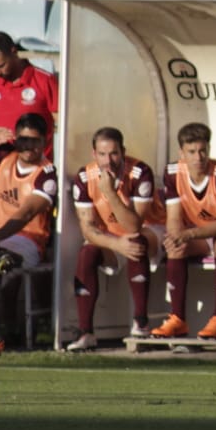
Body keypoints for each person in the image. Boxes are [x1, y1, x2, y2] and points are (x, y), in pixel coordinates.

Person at [68, 127, 165, 350]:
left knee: (135, 240)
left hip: (150, 231)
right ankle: (86, 333)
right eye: (102, 154)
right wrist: (114, 243)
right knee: (87, 252)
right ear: (94, 154)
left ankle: (141, 324)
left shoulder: (140, 172)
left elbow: (135, 224)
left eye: (113, 154)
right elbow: (87, 229)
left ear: (123, 152)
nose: (108, 160)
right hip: (113, 237)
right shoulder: (84, 177)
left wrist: (110, 193)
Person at [0, 113, 58, 347]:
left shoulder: (47, 174)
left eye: (35, 140)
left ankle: (5, 325)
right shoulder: (6, 154)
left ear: (45, 142)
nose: (29, 146)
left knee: (4, 261)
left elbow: (25, 214)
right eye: (24, 139)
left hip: (27, 238)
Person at [150, 122, 216, 340]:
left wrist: (187, 234)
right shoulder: (173, 172)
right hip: (198, 236)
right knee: (176, 248)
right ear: (182, 153)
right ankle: (177, 319)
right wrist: (175, 237)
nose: (198, 157)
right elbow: (173, 217)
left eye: (203, 151)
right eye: (192, 152)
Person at [0, 31, 58, 185]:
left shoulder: (44, 81)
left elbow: (63, 129)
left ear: (13, 51)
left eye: (1, 65)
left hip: (34, 180)